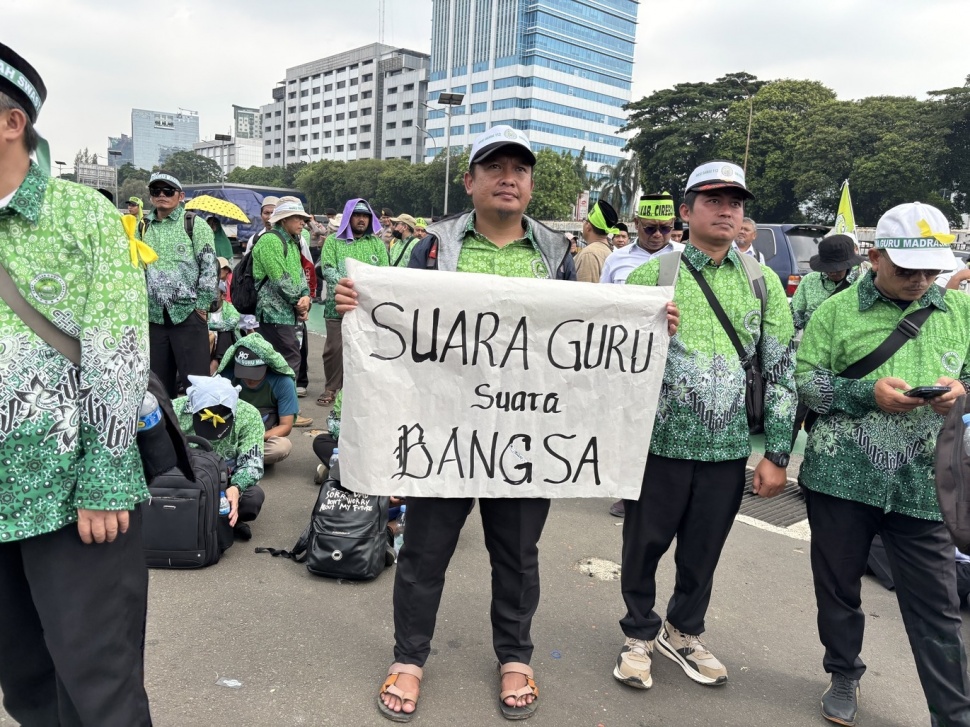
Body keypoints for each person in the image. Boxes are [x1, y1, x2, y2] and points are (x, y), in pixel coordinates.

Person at [338, 125, 677, 723]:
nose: (508, 177)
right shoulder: (433, 246)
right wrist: (357, 304)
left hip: (528, 438)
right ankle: (410, 659)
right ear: (469, 182)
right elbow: (397, 323)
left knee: (518, 555)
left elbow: (580, 340)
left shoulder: (556, 253)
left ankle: (515, 656)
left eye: (519, 169)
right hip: (443, 435)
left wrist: (647, 325)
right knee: (423, 553)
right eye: (494, 167)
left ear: (530, 184)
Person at [0, 42, 153, 725]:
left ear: (12, 122)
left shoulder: (81, 215)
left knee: (98, 692)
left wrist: (106, 478)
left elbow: (118, 351)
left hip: (70, 495)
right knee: (25, 684)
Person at [617, 161, 795, 691]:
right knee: (643, 545)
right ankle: (638, 635)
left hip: (727, 451)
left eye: (735, 202)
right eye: (713, 200)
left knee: (704, 549)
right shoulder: (653, 276)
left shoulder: (761, 283)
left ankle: (684, 631)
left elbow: (783, 370)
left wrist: (778, 454)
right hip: (659, 445)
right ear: (686, 211)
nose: (726, 210)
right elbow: (614, 362)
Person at [796, 201, 970, 727]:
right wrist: (865, 394)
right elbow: (807, 381)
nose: (921, 281)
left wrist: (961, 395)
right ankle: (844, 670)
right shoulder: (834, 312)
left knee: (937, 609)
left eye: (930, 270)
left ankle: (953, 715)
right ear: (874, 257)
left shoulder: (960, 313)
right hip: (841, 480)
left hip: (924, 486)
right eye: (906, 270)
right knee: (839, 588)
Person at [140, 169, 218, 397]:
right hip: (154, 316)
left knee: (197, 384)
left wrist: (201, 307)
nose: (161, 194)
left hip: (188, 315)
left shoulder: (194, 224)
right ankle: (165, 432)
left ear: (180, 195)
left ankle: (199, 431)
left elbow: (209, 267)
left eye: (168, 190)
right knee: (157, 386)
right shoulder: (142, 227)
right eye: (156, 190)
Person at [173, 375, 266, 541]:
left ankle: (205, 517)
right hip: (183, 478)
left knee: (253, 499)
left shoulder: (249, 415)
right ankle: (220, 521)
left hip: (227, 481)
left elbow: (253, 463)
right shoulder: (173, 410)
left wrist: (236, 487)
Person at [317, 197, 389, 406]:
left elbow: (384, 272)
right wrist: (345, 284)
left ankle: (359, 390)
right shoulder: (333, 242)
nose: (361, 220)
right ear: (349, 217)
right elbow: (327, 268)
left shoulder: (376, 244)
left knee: (365, 349)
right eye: (357, 215)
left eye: (365, 216)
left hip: (367, 310)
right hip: (337, 306)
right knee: (334, 349)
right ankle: (331, 388)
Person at [251, 198, 312, 378]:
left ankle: (281, 403)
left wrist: (306, 296)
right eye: (297, 217)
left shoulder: (293, 242)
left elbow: (300, 275)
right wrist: (299, 302)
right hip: (273, 313)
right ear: (284, 220)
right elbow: (280, 279)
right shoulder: (270, 240)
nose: (302, 222)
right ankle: (284, 404)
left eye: (304, 218)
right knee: (286, 359)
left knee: (287, 358)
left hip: (288, 314)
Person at [218, 334, 299, 466]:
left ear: (267, 366)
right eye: (244, 373)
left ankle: (230, 460)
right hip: (228, 434)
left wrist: (254, 437)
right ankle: (245, 460)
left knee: (281, 447)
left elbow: (286, 425)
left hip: (262, 436)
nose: (249, 379)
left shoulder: (283, 382)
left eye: (254, 374)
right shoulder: (227, 376)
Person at [600, 193, 684, 290]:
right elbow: (605, 298)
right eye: (650, 228)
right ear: (636, 223)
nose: (658, 234)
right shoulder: (615, 259)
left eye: (665, 228)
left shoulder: (686, 256)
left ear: (673, 223)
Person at [791, 234, 865, 331]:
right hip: (813, 343)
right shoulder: (809, 281)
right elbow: (794, 317)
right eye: (827, 268)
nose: (832, 272)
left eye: (837, 269)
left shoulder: (861, 284)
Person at [574, 198, 618, 283]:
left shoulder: (589, 254)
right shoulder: (608, 251)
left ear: (588, 226)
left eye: (585, 221)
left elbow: (585, 293)